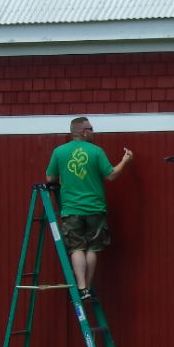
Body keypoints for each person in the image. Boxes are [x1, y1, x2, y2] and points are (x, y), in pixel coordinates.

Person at [45, 116, 133, 300]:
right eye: (91, 128)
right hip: (95, 209)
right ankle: (88, 288)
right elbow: (111, 176)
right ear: (84, 132)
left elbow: (50, 179)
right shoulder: (96, 151)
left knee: (76, 248)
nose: (94, 131)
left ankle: (81, 286)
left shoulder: (59, 152)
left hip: (71, 210)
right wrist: (125, 160)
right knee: (93, 248)